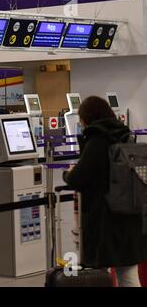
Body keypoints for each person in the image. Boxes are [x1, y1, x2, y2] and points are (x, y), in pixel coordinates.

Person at [63, 96, 147, 287]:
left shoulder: (97, 141)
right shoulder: (127, 136)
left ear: (87, 118)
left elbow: (78, 178)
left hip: (105, 221)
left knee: (98, 275)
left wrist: (67, 174)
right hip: (130, 214)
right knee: (128, 274)